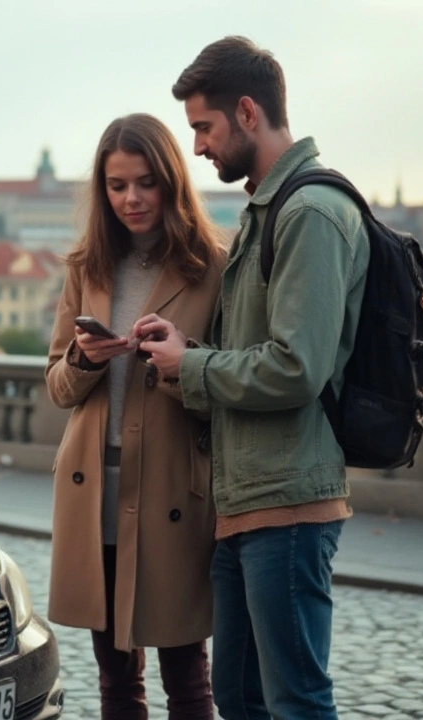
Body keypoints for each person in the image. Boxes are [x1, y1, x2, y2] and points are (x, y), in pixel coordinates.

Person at [136, 36, 371, 720]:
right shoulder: (270, 210)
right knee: (240, 703)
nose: (199, 148)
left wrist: (194, 365)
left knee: (294, 702)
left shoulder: (311, 214)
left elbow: (297, 368)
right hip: (243, 503)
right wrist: (186, 352)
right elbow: (255, 353)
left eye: (203, 128)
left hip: (289, 504)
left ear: (246, 112)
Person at [44, 112, 227, 719]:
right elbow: (58, 387)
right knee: (116, 680)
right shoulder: (86, 266)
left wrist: (177, 362)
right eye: (116, 185)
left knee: (188, 679)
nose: (130, 199)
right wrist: (85, 357)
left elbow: (228, 385)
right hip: (93, 489)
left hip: (172, 490)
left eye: (144, 182)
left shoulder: (213, 267)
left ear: (171, 181)